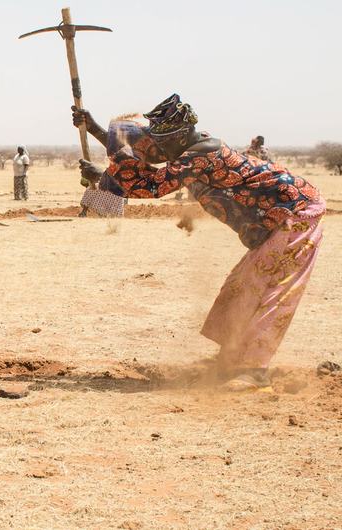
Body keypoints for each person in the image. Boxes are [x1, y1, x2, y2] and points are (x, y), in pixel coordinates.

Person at [72, 94, 325, 391]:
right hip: (277, 219)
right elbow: (148, 157)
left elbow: (153, 184)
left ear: (178, 136)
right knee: (243, 285)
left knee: (273, 290)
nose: (159, 149)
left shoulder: (201, 154)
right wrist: (95, 129)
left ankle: (254, 370)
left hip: (296, 213)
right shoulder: (190, 148)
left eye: (163, 142)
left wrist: (102, 174)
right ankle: (233, 359)